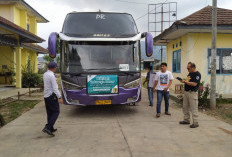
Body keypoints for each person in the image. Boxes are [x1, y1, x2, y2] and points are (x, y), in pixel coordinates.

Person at [42, 62, 63, 137]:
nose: (56, 68)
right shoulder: (52, 76)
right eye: (56, 67)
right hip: (52, 96)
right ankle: (47, 127)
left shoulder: (45, 74)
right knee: (56, 112)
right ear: (54, 68)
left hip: (46, 96)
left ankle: (51, 128)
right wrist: (59, 97)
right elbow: (55, 88)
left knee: (50, 113)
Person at [179, 62, 201, 128]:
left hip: (192, 93)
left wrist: (185, 82)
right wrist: (183, 81)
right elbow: (188, 81)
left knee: (193, 108)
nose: (187, 70)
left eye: (188, 68)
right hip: (186, 92)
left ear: (193, 68)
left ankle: (195, 122)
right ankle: (186, 120)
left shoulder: (197, 74)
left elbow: (194, 84)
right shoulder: (190, 73)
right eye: (187, 68)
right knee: (185, 107)